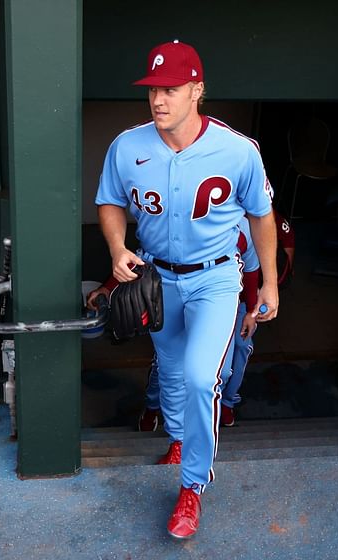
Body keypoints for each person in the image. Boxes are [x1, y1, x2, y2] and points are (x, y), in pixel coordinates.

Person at [93, 40, 279, 539]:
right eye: (153, 90)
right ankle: (177, 437)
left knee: (201, 378)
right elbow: (109, 202)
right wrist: (116, 249)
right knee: (172, 370)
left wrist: (271, 285)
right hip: (158, 277)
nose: (159, 100)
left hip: (218, 278)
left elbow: (263, 217)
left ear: (197, 90)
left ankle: (192, 486)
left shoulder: (238, 150)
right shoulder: (127, 146)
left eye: (171, 89)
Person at [131, 209, 295, 430]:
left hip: (228, 301)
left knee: (230, 361)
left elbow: (258, 270)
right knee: (168, 362)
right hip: (180, 294)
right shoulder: (179, 219)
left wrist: (251, 310)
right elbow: (143, 258)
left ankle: (225, 403)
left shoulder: (246, 225)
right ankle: (152, 407)